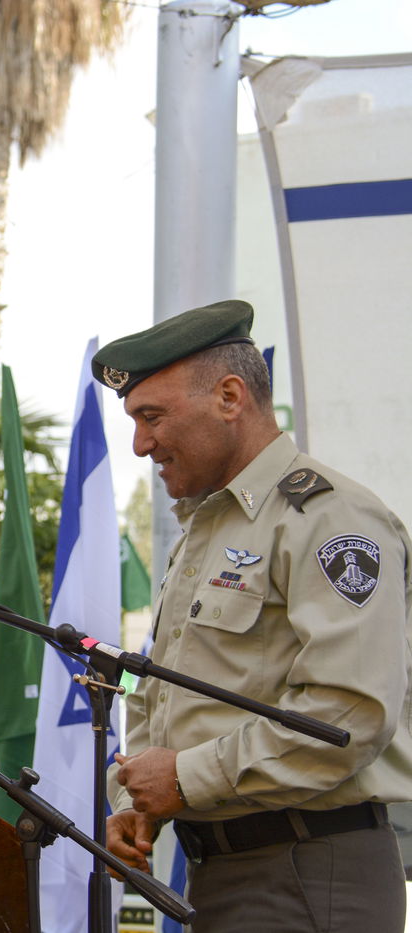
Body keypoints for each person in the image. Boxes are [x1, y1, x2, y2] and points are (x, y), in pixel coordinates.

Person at [97, 300, 412, 932]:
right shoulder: (205, 530)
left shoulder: (329, 519)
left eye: (152, 417)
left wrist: (182, 777)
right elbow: (165, 688)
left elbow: (347, 717)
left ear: (231, 396)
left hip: (308, 869)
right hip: (222, 870)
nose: (140, 444)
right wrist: (138, 794)